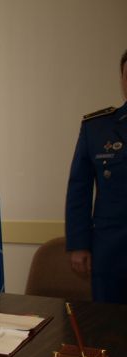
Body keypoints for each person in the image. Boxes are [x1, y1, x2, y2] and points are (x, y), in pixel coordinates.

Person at [65, 49, 127, 304]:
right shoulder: (97, 128)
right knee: (108, 321)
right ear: (122, 79)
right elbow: (79, 188)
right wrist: (79, 244)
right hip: (111, 251)